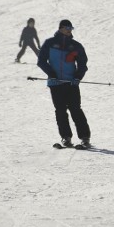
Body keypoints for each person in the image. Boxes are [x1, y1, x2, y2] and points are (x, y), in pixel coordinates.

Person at [37, 19, 91, 148]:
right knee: (60, 111)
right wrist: (52, 74)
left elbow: (82, 64)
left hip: (71, 83)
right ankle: (66, 137)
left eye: (71, 28)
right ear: (60, 28)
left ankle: (85, 138)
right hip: (55, 84)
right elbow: (41, 61)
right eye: (67, 28)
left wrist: (78, 77)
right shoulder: (50, 43)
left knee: (76, 110)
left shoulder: (75, 45)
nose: (69, 31)